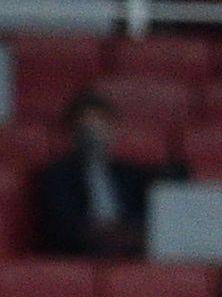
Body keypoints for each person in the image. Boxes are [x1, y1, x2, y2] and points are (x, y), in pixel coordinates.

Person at [30, 89, 154, 258]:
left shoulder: (132, 175)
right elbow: (60, 227)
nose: (94, 135)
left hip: (129, 253)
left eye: (100, 125)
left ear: (112, 130)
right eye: (87, 128)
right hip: (82, 255)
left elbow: (149, 219)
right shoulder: (56, 176)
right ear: (73, 133)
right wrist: (101, 233)